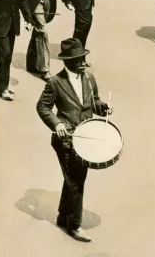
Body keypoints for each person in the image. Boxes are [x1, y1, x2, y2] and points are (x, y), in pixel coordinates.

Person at [36, 37, 112, 243]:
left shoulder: (89, 78)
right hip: (67, 141)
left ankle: (63, 216)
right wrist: (57, 124)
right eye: (78, 60)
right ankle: (75, 224)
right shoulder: (55, 82)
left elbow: (94, 101)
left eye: (83, 58)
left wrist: (102, 107)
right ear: (67, 61)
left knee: (73, 179)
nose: (82, 63)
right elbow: (42, 107)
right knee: (76, 181)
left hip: (86, 138)